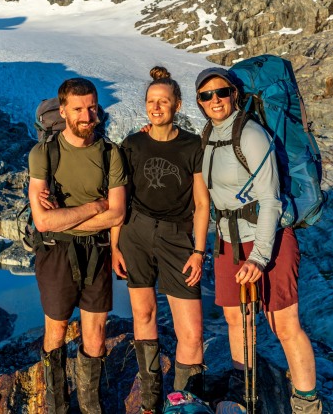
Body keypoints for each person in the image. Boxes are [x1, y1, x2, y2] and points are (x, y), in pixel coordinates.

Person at [195, 67, 323, 413]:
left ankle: (306, 405)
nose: (215, 100)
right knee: (236, 320)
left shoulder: (251, 134)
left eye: (221, 92)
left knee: (284, 324)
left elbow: (270, 199)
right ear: (199, 102)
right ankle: (243, 394)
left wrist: (260, 257)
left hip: (269, 240)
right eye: (206, 96)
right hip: (228, 242)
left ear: (234, 95)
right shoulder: (208, 136)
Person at [111, 66, 210, 413]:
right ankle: (151, 403)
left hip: (177, 239)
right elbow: (118, 197)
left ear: (177, 105)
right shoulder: (133, 144)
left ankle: (184, 404)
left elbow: (201, 203)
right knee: (144, 315)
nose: (155, 107)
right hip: (135, 234)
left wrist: (199, 251)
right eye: (151, 101)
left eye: (163, 101)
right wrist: (114, 245)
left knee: (192, 332)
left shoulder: (192, 145)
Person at [28, 77, 128, 414]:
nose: (87, 115)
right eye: (78, 109)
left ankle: (90, 407)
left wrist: (68, 216)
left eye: (92, 107)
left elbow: (118, 215)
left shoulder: (111, 153)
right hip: (56, 251)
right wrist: (95, 207)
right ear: (63, 111)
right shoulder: (43, 153)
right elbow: (43, 222)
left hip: (97, 252)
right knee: (55, 331)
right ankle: (57, 406)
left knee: (96, 335)